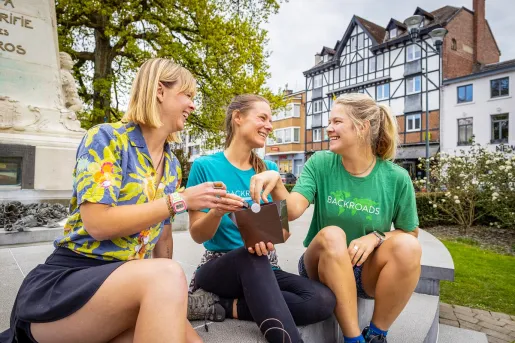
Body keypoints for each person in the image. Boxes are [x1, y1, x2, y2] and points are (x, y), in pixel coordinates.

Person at [0, 58, 234, 343]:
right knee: (167, 276)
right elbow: (97, 223)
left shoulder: (172, 164)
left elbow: (163, 241)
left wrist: (171, 298)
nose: (193, 105)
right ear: (160, 92)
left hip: (125, 285)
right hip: (68, 284)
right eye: (188, 96)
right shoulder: (107, 139)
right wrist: (178, 200)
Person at [250, 93, 421, 343]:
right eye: (329, 122)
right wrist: (275, 180)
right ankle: (353, 339)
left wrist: (375, 238)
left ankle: (376, 335)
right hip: (320, 265)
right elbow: (294, 208)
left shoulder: (396, 178)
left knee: (408, 246)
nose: (328, 128)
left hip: (366, 272)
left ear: (362, 127)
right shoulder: (321, 163)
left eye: (337, 122)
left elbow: (410, 232)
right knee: (333, 234)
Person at [185, 94, 336, 343]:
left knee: (322, 300)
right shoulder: (205, 166)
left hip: (265, 265)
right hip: (219, 267)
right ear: (238, 118)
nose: (269, 125)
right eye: (262, 117)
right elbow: (197, 234)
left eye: (271, 119)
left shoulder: (269, 170)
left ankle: (223, 305)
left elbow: (283, 234)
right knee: (250, 256)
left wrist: (269, 227)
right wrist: (217, 211)